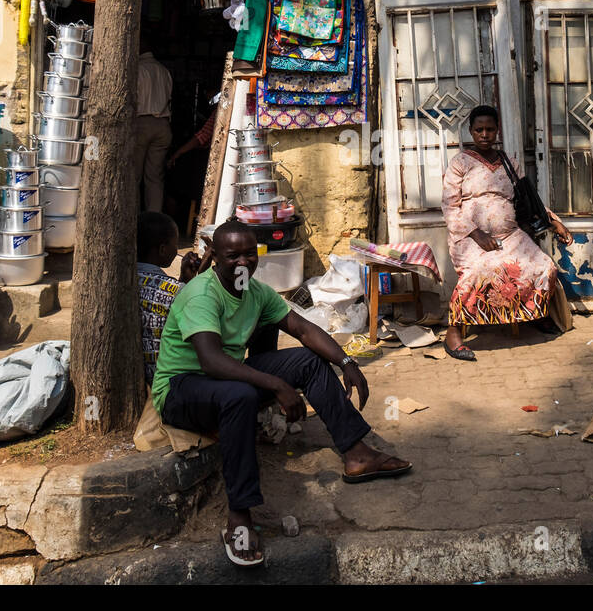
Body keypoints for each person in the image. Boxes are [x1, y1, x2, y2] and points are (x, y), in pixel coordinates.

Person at [153, 220, 412, 568]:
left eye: (250, 253)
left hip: (226, 382)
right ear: (215, 257)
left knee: (307, 359)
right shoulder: (202, 293)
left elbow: (302, 328)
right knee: (240, 397)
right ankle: (239, 518)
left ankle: (357, 453)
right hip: (183, 390)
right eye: (233, 256)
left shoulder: (255, 291)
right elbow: (212, 361)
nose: (243, 262)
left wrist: (346, 360)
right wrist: (276, 385)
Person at [440, 105, 574, 361]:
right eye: (479, 129)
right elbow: (449, 207)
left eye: (490, 129)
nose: (485, 134)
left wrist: (554, 221)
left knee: (544, 267)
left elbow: (528, 199)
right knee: (478, 274)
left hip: (511, 236)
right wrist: (475, 233)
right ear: (470, 131)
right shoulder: (460, 163)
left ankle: (535, 314)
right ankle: (454, 330)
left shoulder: (508, 162)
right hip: (470, 238)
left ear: (497, 131)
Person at [137, 211, 198, 384]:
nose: (177, 249)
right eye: (175, 244)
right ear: (163, 249)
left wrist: (184, 280)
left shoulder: (120, 281)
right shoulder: (176, 290)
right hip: (165, 377)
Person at [135, 35, 173, 213]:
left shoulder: (138, 69)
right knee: (155, 178)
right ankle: (154, 219)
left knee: (134, 176)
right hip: (163, 125)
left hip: (142, 123)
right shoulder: (164, 70)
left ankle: (132, 219)